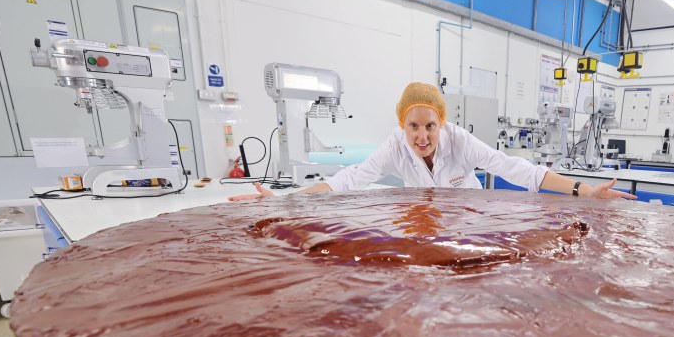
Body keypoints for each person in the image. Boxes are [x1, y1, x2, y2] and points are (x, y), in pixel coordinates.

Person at [228, 82, 634, 201]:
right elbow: (349, 180)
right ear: (402, 125)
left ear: (442, 123)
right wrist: (287, 199)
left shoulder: (462, 142)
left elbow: (519, 170)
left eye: (429, 126)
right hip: (420, 220)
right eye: (412, 126)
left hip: (469, 218)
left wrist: (585, 191)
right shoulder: (394, 146)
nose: (421, 136)